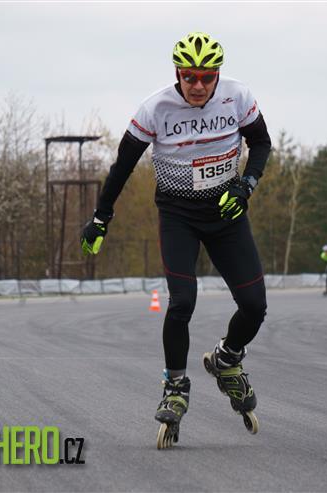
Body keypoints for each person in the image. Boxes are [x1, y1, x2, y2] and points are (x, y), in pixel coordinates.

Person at [80, 32, 271, 446]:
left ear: (217, 74)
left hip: (226, 212)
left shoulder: (238, 97)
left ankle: (227, 359)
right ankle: (175, 386)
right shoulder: (155, 108)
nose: (198, 85)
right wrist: (100, 216)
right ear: (177, 74)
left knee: (255, 306)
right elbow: (122, 165)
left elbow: (261, 143)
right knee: (182, 301)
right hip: (178, 215)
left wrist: (247, 184)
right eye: (189, 77)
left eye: (206, 77)